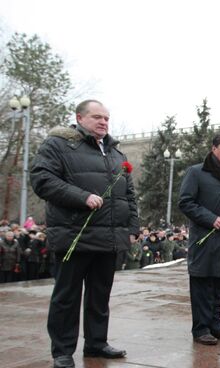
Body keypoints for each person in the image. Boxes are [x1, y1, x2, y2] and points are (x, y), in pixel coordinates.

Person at [30, 99, 139, 368]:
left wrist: (133, 228)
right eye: (97, 117)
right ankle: (63, 351)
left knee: (100, 295)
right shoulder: (58, 144)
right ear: (79, 118)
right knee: (67, 297)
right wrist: (81, 197)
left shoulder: (115, 153)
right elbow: (42, 180)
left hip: (109, 238)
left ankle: (96, 343)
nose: (103, 122)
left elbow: (128, 194)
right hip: (73, 235)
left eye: (106, 118)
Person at [178, 134, 220, 346]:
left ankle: (216, 325)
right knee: (202, 287)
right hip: (205, 241)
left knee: (219, 288)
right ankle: (201, 329)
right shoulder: (196, 172)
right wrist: (210, 219)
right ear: (214, 149)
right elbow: (185, 202)